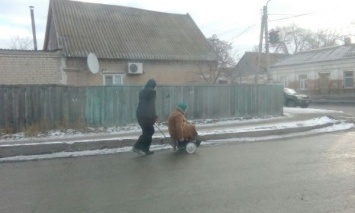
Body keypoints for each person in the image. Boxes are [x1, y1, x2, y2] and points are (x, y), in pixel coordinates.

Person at [132, 79, 158, 155]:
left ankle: (145, 149)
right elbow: (151, 105)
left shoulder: (142, 92)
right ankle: (137, 147)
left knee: (147, 131)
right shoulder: (152, 92)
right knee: (149, 131)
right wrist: (153, 116)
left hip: (140, 114)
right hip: (146, 115)